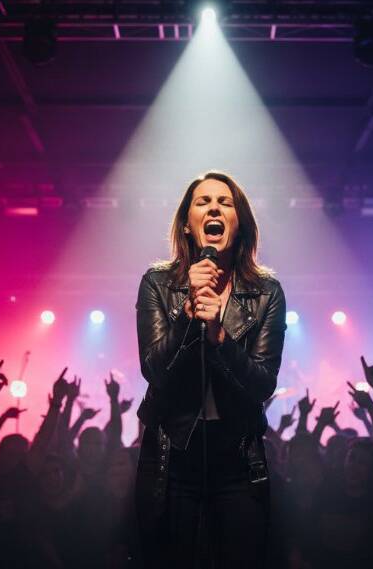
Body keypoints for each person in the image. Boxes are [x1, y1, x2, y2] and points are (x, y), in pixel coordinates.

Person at [134, 170, 287, 568]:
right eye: (203, 202)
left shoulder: (266, 292)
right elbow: (153, 370)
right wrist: (187, 317)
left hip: (236, 455)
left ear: (239, 224)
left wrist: (220, 338)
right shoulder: (158, 283)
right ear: (188, 224)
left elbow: (262, 383)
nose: (214, 207)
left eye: (225, 202)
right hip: (171, 454)